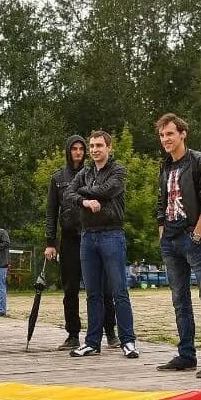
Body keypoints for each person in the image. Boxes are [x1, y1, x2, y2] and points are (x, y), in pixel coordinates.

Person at [154, 114, 201, 378]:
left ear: (183, 133)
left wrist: (197, 235)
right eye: (162, 135)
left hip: (193, 238)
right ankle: (186, 355)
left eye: (170, 134)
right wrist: (162, 232)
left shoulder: (200, 161)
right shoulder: (165, 167)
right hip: (171, 239)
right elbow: (160, 204)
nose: (165, 139)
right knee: (179, 300)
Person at [65, 131, 139, 360]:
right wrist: (84, 201)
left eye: (99, 145)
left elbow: (109, 190)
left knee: (118, 290)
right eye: (92, 145)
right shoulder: (85, 172)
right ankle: (92, 342)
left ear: (109, 147)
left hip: (111, 235)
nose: (95, 149)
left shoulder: (118, 170)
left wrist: (84, 192)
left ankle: (128, 341)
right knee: (93, 293)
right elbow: (68, 192)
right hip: (88, 236)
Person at [44, 135, 118, 351]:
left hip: (94, 233)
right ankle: (73, 334)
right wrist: (50, 241)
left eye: (81, 148)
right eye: (74, 149)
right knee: (70, 288)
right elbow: (51, 211)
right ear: (68, 151)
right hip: (69, 237)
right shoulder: (57, 178)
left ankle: (110, 331)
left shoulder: (92, 175)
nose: (78, 152)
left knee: (103, 287)